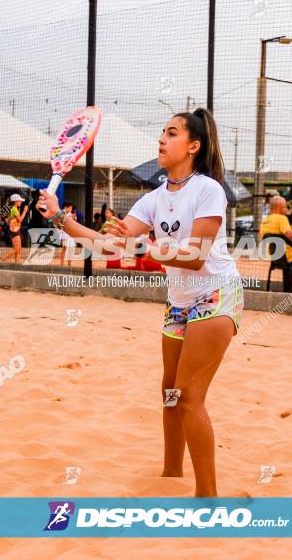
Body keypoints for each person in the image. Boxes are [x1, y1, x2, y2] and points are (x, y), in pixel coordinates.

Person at [37, 108, 242, 497]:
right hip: (180, 300)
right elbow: (109, 242)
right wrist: (60, 220)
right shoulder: (153, 198)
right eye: (162, 133)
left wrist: (147, 247)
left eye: (172, 133)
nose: (162, 140)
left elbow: (196, 256)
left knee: (187, 395)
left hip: (216, 294)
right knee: (169, 391)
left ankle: (208, 496)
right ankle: (169, 475)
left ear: (193, 146)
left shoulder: (208, 190)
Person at [1, 193, 28, 262]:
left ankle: (17, 263)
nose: (21, 202)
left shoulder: (13, 209)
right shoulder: (15, 209)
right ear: (15, 201)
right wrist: (25, 211)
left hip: (14, 230)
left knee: (18, 249)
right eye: (19, 201)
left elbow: (8, 221)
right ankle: (2, 260)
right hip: (14, 231)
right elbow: (20, 220)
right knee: (17, 249)